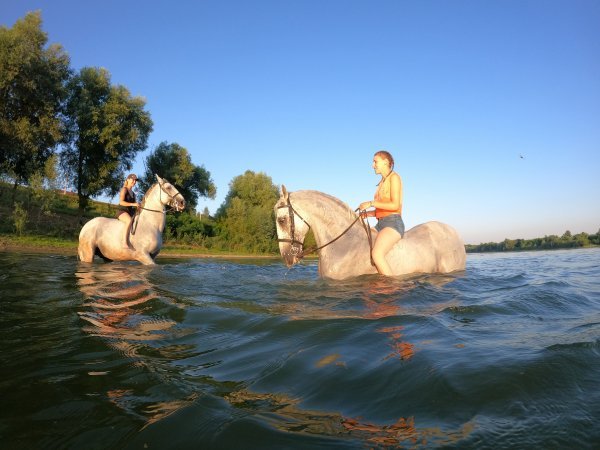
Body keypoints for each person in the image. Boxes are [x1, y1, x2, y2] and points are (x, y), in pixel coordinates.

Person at [358, 150, 404, 276]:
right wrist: (366, 214)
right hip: (380, 224)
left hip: (393, 223)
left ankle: (392, 287)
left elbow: (394, 205)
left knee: (377, 254)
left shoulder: (394, 178)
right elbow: (382, 209)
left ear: (385, 162)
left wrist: (371, 203)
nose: (372, 165)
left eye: (375, 161)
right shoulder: (381, 183)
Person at [117, 173, 140, 249]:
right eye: (133, 180)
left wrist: (138, 207)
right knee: (129, 220)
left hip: (130, 212)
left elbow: (134, 206)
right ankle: (124, 242)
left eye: (135, 180)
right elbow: (121, 202)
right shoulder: (124, 189)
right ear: (127, 180)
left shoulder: (133, 194)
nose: (134, 182)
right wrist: (133, 204)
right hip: (122, 211)